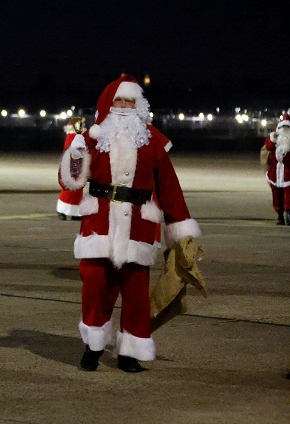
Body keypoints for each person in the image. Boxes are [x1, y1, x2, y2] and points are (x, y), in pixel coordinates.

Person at [59, 74, 201, 373]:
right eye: (118, 100)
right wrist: (73, 155)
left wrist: (181, 228)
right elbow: (71, 181)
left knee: (136, 294)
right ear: (108, 105)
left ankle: (129, 352)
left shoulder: (152, 140)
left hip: (139, 224)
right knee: (95, 287)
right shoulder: (92, 139)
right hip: (100, 223)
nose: (124, 105)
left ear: (139, 106)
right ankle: (93, 345)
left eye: (130, 101)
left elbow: (170, 187)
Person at [57, 116, 86, 221]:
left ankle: (75, 212)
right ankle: (62, 210)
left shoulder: (79, 136)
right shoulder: (72, 136)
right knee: (68, 191)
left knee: (77, 192)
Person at [264, 113, 290, 225]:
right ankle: (279, 215)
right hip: (275, 172)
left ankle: (288, 213)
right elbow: (268, 146)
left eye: (287, 128)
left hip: (288, 172)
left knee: (288, 195)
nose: (284, 130)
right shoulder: (274, 137)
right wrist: (272, 139)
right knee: (276, 195)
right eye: (282, 127)